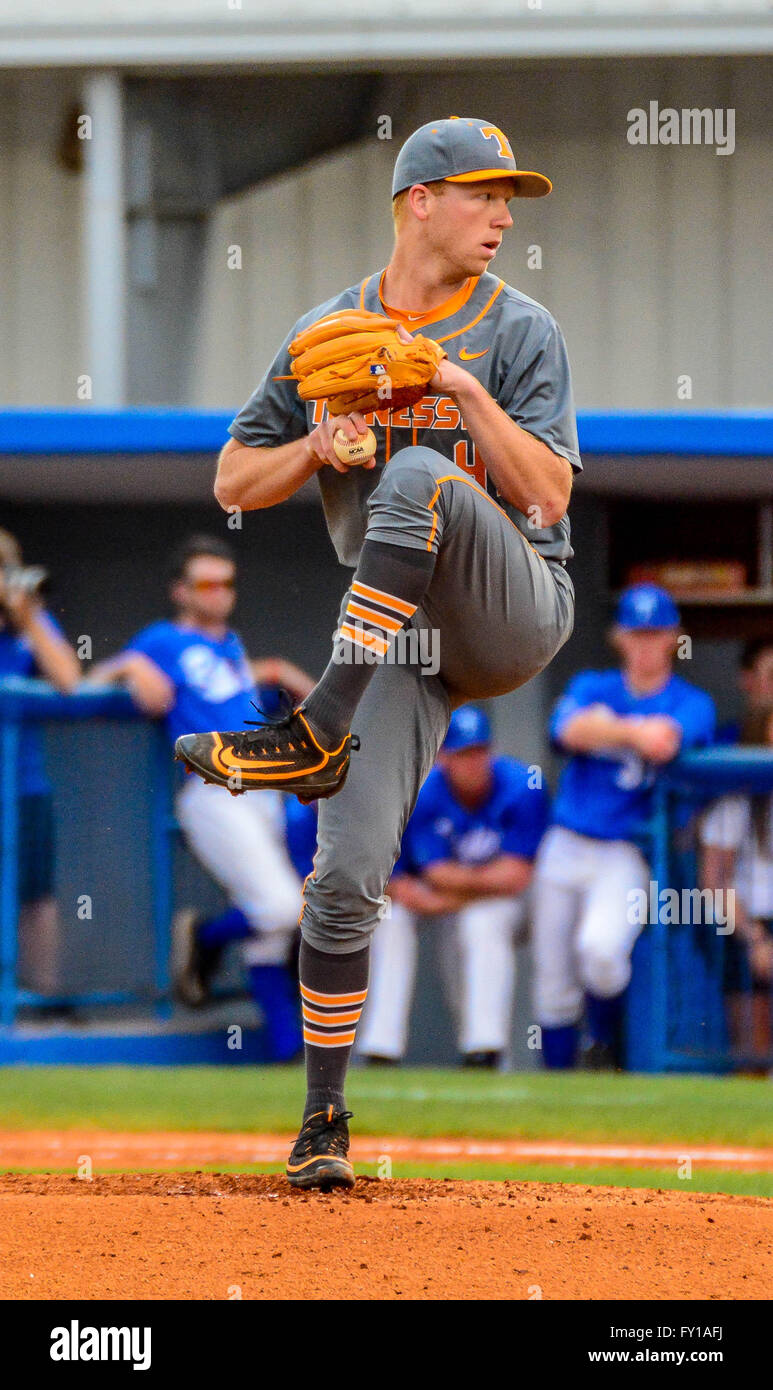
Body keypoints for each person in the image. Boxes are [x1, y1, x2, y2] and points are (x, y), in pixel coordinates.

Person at [177, 116, 581, 1188]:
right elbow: (230, 481)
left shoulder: (519, 328)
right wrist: (316, 441)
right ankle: (321, 1123)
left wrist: (457, 390)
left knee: (410, 480)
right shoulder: (331, 330)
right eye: (484, 194)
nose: (502, 216)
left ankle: (312, 727)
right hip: (394, 639)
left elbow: (547, 493)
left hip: (511, 608)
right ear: (418, 201)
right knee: (342, 876)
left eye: (508, 199)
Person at [87, 534, 313, 1060]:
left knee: (271, 928)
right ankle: (205, 938)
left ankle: (287, 1055)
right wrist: (129, 667)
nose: (219, 593)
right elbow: (90, 676)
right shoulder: (163, 639)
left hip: (264, 789)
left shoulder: (229, 643)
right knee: (282, 909)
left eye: (226, 583)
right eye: (206, 584)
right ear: (181, 591)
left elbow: (234, 691)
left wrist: (282, 673)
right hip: (213, 791)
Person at [531, 583, 717, 1070]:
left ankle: (602, 1047)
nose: (645, 643)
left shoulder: (691, 701)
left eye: (655, 632)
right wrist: (633, 730)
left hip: (626, 849)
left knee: (602, 952)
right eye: (636, 633)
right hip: (565, 841)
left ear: (673, 636)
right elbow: (566, 730)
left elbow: (666, 744)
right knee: (552, 979)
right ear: (620, 636)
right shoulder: (593, 686)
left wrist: (606, 728)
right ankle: (558, 1089)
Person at [358, 704, 549, 1068]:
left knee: (482, 922)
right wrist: (452, 886)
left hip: (508, 902)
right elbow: (424, 874)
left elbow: (515, 876)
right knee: (389, 921)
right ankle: (381, 1049)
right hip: (436, 900)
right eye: (463, 754)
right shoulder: (423, 792)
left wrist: (449, 890)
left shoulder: (521, 785)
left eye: (479, 752)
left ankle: (485, 1051)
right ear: (444, 757)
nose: (473, 763)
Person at [0, 528, 80, 1007]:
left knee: (36, 896)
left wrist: (26, 616)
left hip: (22, 787)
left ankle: (40, 1001)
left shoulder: (28, 623)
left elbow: (70, 678)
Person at [700, 701, 773, 1068]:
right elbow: (713, 882)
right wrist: (756, 938)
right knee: (752, 1048)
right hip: (748, 924)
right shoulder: (735, 803)